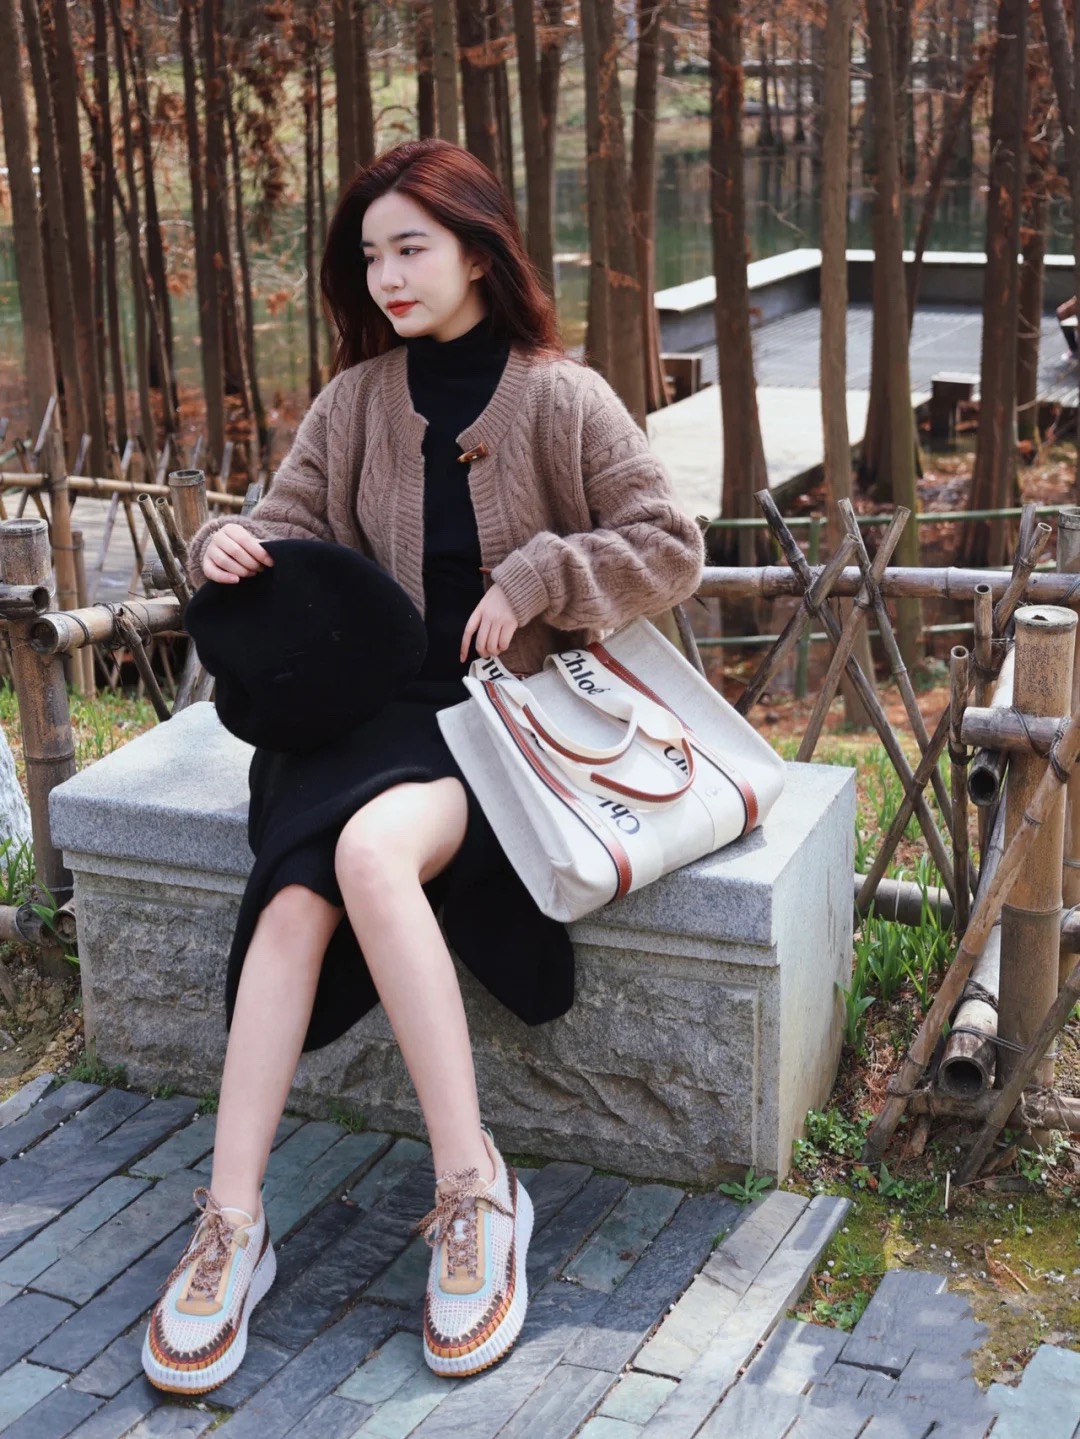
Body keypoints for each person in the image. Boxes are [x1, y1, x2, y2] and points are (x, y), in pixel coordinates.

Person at [141, 138, 704, 1394]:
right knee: (293, 894)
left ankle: (474, 1189)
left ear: (478, 252)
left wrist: (540, 575)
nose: (387, 276)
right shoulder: (355, 400)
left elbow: (669, 543)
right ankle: (231, 1222)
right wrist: (230, 543)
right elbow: (287, 526)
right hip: (356, 718)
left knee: (364, 851)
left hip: (493, 724)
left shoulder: (562, 395)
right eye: (370, 255)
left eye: (411, 247)